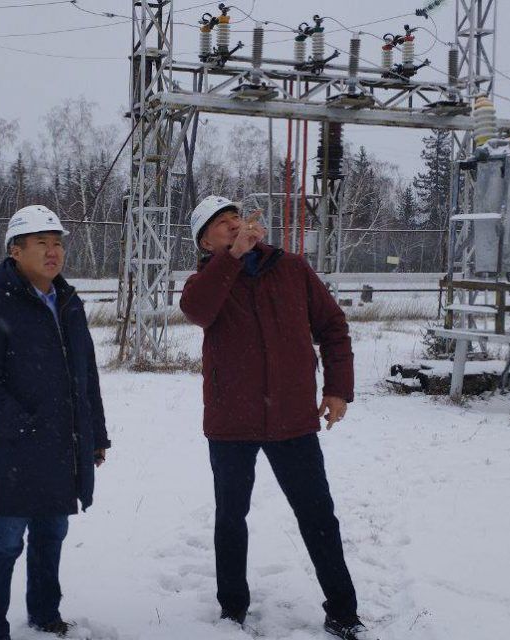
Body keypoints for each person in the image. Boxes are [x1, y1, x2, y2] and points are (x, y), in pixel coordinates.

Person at [179, 195, 376, 640]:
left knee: (318, 514)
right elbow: (198, 311)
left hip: (292, 417)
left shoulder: (291, 269)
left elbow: (333, 327)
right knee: (231, 518)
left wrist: (338, 388)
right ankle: (232, 611)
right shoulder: (204, 282)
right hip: (231, 421)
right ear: (205, 242)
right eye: (221, 223)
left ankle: (343, 613)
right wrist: (231, 261)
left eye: (236, 217)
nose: (234, 225)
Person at [0, 205, 111, 640]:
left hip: (63, 446)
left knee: (52, 533)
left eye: (57, 243)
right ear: (15, 251)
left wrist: (96, 435)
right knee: (6, 539)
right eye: (41, 243)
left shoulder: (69, 304)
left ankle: (45, 614)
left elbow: (86, 375)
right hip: (16, 451)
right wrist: (23, 428)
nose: (52, 252)